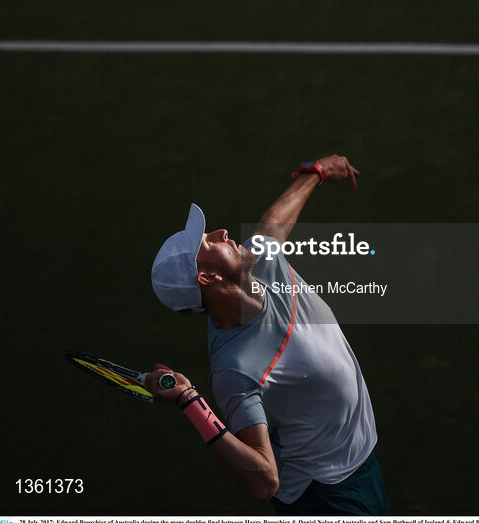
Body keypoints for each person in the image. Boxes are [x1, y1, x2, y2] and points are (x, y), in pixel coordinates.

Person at [146, 154, 389, 516]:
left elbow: (272, 224)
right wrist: (190, 402)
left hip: (359, 463)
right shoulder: (235, 368)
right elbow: (264, 482)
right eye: (208, 244)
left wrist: (317, 173)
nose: (221, 233)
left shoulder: (262, 263)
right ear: (208, 278)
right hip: (324, 496)